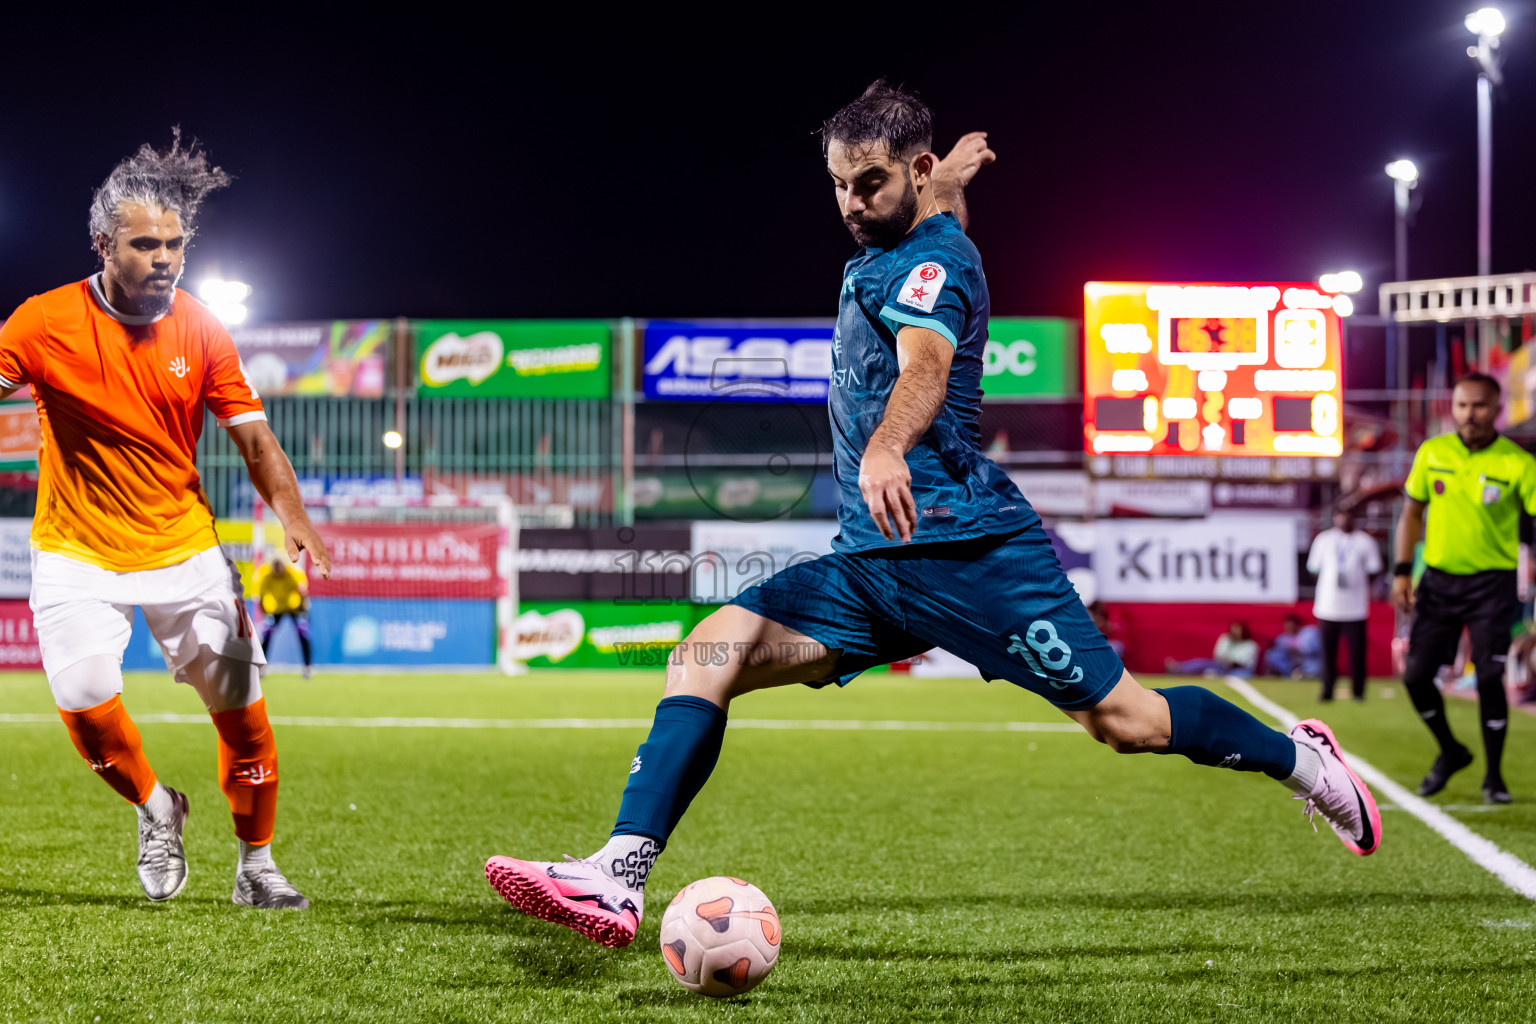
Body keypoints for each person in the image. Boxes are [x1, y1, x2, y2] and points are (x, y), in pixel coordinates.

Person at [484, 81, 1380, 950]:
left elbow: (925, 365)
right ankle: (617, 874)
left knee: (1128, 723)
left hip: (971, 555)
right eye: (837, 183)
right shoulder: (923, 229)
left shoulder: (929, 265)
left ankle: (1305, 761)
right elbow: (939, 215)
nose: (849, 200)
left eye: (868, 181)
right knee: (704, 654)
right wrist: (944, 180)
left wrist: (883, 447)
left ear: (907, 170)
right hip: (873, 565)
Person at [0, 135, 332, 906]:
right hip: (75, 547)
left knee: (242, 712)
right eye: (144, 244)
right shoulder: (41, 322)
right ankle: (157, 805)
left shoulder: (203, 329)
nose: (164, 259)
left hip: (185, 548)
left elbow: (252, 437)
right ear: (102, 245)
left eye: (175, 244)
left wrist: (294, 513)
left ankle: (257, 865)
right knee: (84, 699)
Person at [1394, 372, 1536, 804]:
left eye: (1478, 406)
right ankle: (1452, 751)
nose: (1468, 414)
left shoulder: (1518, 463)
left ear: (1496, 409)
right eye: (1461, 405)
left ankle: (1494, 778)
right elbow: (1412, 513)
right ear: (1452, 407)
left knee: (1490, 676)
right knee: (1416, 676)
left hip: (1492, 585)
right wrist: (1402, 570)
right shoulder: (1433, 452)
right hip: (1438, 583)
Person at [1308, 506, 1382, 701]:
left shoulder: (1365, 541)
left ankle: (1358, 692)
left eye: (1349, 516)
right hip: (1327, 606)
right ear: (1335, 517)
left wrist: (1360, 585)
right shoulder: (1324, 539)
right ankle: (1327, 691)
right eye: (1341, 515)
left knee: (1357, 653)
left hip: (1356, 607)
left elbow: (1374, 570)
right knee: (1327, 653)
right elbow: (1313, 569)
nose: (1345, 519)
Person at [256, 549, 313, 679]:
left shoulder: (293, 573)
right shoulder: (267, 576)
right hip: (277, 609)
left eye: (279, 567)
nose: (277, 570)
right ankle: (261, 668)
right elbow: (262, 596)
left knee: (303, 633)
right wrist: (266, 613)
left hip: (295, 607)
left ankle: (307, 667)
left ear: (284, 566)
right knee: (267, 634)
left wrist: (304, 611)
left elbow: (303, 593)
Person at [1165, 621, 1260, 679]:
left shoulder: (1250, 644)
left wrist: (1232, 661)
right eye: (1233, 628)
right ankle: (1178, 668)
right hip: (1221, 666)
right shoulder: (1225, 639)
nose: (1235, 631)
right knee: (1201, 663)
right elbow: (1217, 654)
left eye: (1237, 629)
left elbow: (1244, 662)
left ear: (1243, 630)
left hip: (1239, 670)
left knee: (1235, 677)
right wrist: (1225, 660)